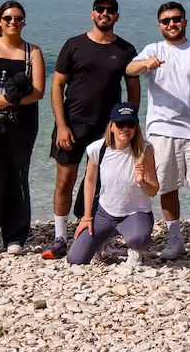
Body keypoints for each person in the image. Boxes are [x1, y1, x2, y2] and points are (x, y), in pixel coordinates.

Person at [42, 0, 140, 258]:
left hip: (108, 127)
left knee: (102, 184)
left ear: (117, 16)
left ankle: (101, 240)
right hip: (72, 124)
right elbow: (56, 86)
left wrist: (128, 124)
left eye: (110, 11)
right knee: (65, 181)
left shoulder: (126, 50)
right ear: (92, 14)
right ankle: (60, 237)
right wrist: (61, 125)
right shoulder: (74, 45)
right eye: (100, 10)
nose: (104, 14)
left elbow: (133, 90)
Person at [127, 1, 190, 261]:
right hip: (161, 129)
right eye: (165, 20)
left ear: (185, 21)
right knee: (168, 187)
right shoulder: (153, 49)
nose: (171, 24)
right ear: (159, 25)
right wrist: (146, 63)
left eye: (176, 19)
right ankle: (175, 238)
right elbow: (129, 69)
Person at [0, 0, 46, 254]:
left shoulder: (32, 51)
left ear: (24, 22)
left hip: (22, 121)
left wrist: (8, 100)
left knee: (18, 177)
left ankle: (15, 237)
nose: (13, 22)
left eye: (18, 18)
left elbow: (38, 92)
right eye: (8, 18)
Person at [65, 104, 160, 268]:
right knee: (75, 259)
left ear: (136, 127)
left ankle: (135, 251)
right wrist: (87, 217)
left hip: (135, 212)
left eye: (130, 124)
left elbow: (153, 191)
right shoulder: (98, 148)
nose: (125, 128)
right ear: (112, 126)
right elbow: (89, 182)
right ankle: (102, 242)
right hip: (105, 212)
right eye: (120, 124)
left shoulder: (145, 149)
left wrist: (141, 181)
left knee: (139, 239)